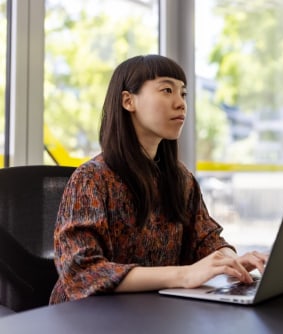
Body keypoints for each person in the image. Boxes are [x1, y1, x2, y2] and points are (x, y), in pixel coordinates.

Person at [50, 54, 267, 304]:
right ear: (128, 101)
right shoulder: (92, 178)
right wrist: (183, 275)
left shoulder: (181, 178)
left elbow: (206, 239)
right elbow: (82, 273)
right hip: (85, 318)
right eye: (167, 90)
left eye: (183, 94)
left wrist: (231, 261)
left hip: (152, 312)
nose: (181, 103)